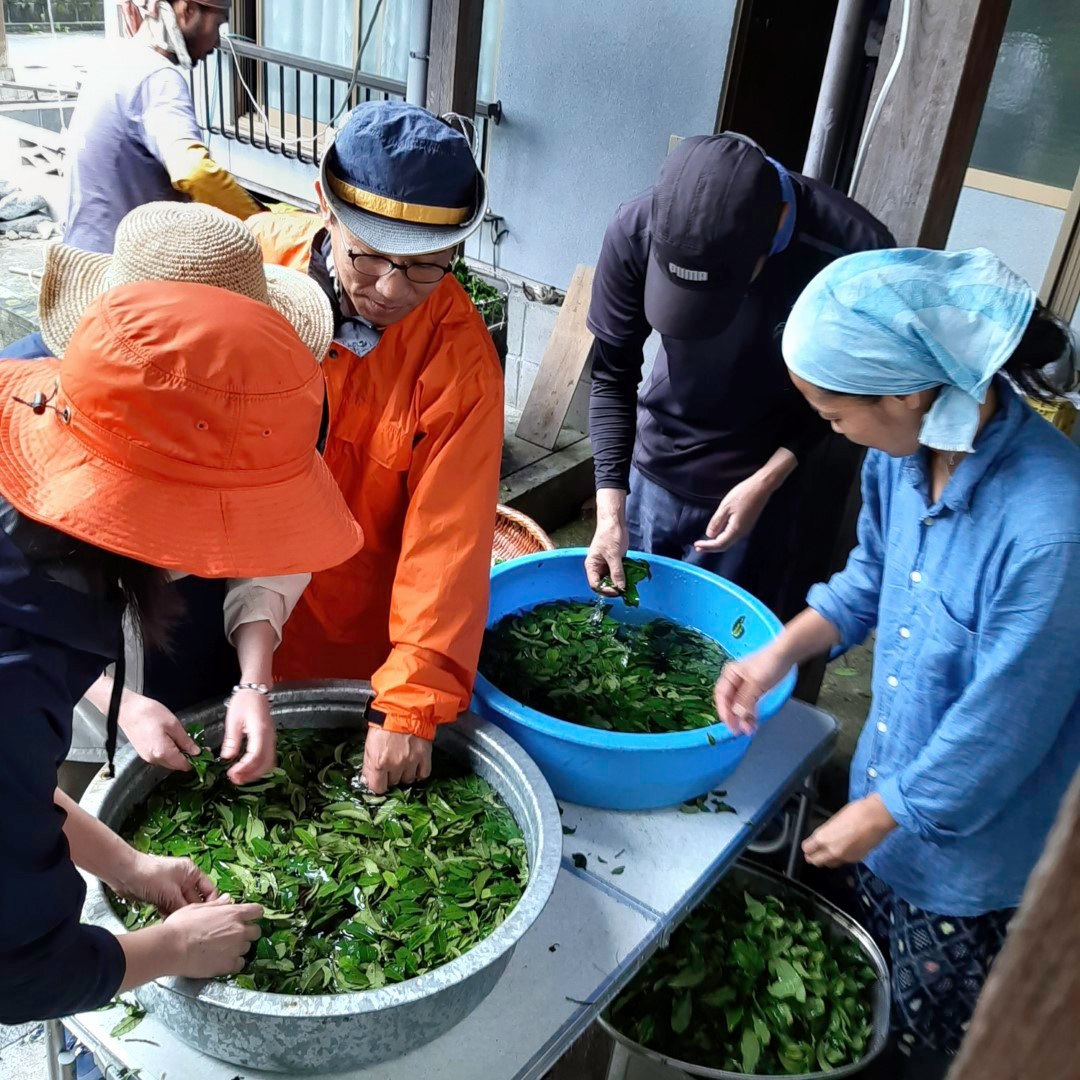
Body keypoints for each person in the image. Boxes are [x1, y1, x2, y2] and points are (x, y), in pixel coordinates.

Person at [714, 248, 1080, 1079]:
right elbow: (870, 582)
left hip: (972, 864)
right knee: (852, 1004)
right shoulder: (901, 458)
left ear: (909, 392)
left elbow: (1003, 734)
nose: (833, 432)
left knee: (918, 1043)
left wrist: (880, 813)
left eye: (834, 415)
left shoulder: (1052, 530)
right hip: (889, 790)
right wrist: (777, 652)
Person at [0, 279, 363, 1024]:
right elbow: (19, 976)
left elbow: (15, 798)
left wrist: (130, 866)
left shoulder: (37, 558)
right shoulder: (20, 668)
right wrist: (171, 950)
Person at [2, 201, 336, 798]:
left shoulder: (274, 398)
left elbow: (275, 540)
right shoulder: (30, 416)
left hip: (196, 628)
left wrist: (253, 683)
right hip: (67, 682)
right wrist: (113, 701)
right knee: (65, 797)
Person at [248, 102, 503, 795]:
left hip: (348, 633)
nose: (392, 291)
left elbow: (449, 540)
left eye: (426, 268)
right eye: (369, 258)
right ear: (324, 209)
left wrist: (411, 698)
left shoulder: (459, 359)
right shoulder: (252, 264)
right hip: (221, 597)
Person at [584, 132, 894, 616]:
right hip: (656, 462)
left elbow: (843, 400)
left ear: (775, 231)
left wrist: (768, 478)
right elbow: (612, 375)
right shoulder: (636, 227)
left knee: (719, 645)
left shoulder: (851, 253)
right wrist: (610, 512)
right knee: (626, 630)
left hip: (761, 478)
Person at [55, 0, 261, 263]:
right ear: (186, 10)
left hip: (83, 252)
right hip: (121, 266)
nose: (217, 42)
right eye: (218, 24)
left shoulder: (117, 60)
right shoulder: (158, 77)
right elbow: (194, 171)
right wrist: (258, 222)